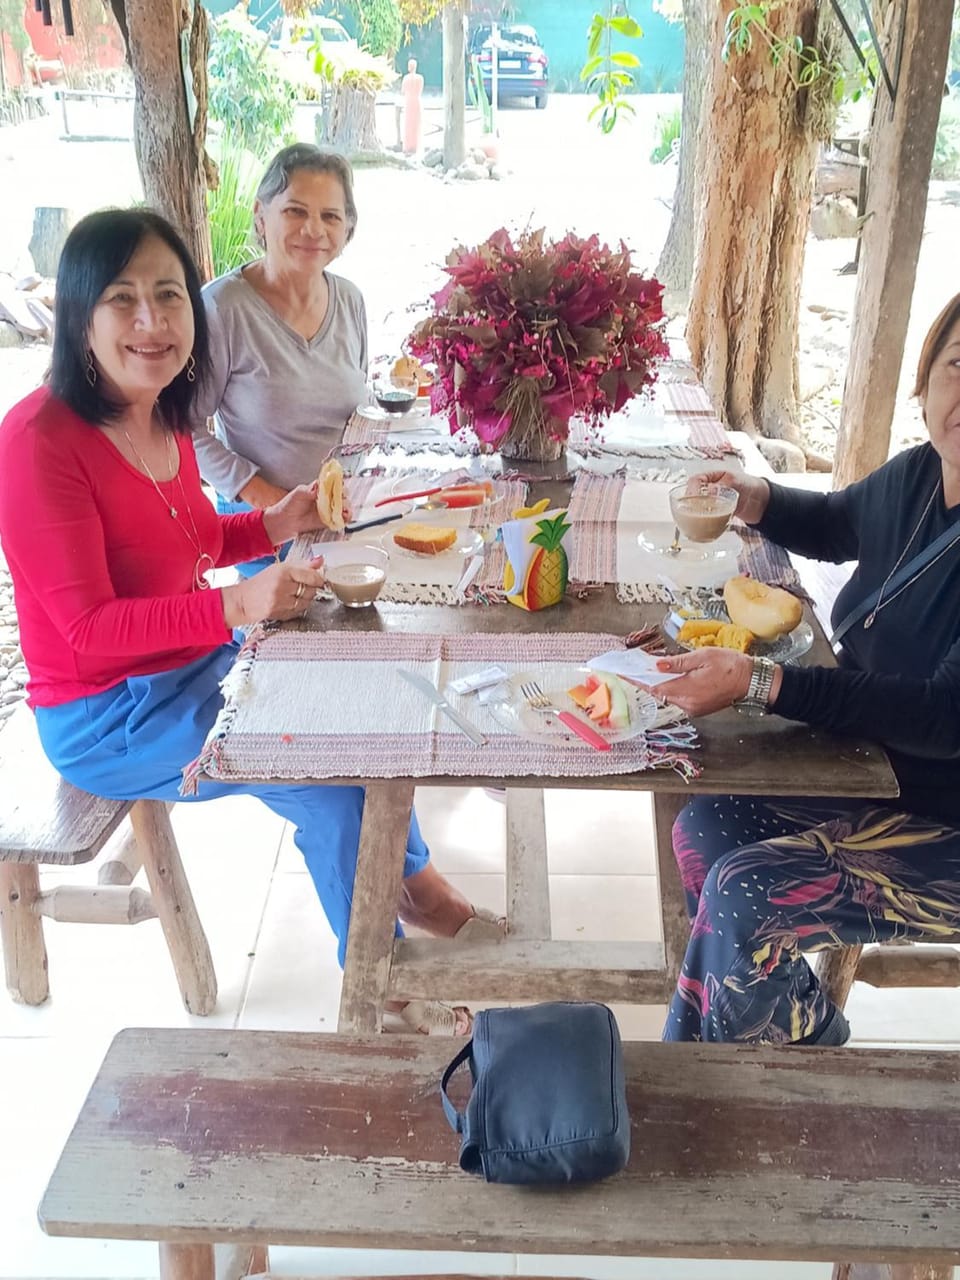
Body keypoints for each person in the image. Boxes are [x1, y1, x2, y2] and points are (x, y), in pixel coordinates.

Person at [0, 208, 500, 1036]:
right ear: (78, 314)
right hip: (109, 713)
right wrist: (238, 602)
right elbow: (87, 630)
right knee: (327, 786)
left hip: (195, 660)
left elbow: (188, 535)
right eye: (123, 299)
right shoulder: (36, 443)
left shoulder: (158, 409)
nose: (153, 321)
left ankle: (413, 888)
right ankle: (381, 988)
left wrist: (275, 523)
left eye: (169, 294)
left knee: (366, 706)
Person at [645, 293, 960, 1046]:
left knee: (742, 898)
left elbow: (943, 718)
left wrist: (762, 682)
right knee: (702, 831)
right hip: (874, 769)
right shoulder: (922, 474)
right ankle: (800, 1036)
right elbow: (838, 522)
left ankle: (716, 1082)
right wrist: (753, 498)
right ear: (929, 384)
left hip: (944, 817)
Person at [193, 144, 368, 576]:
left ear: (347, 228)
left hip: (346, 519)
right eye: (295, 211)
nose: (314, 230)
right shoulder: (221, 308)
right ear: (260, 215)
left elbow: (359, 412)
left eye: (330, 216)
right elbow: (183, 430)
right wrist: (265, 497)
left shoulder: (350, 300)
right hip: (263, 531)